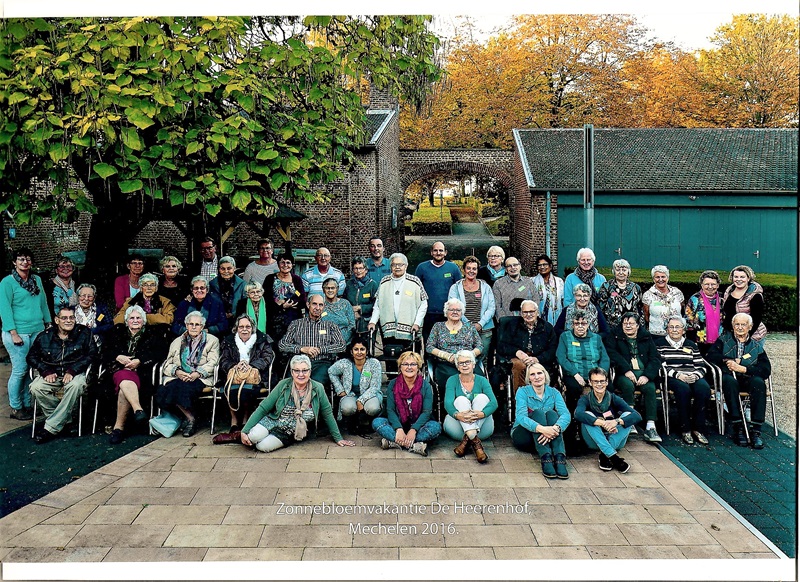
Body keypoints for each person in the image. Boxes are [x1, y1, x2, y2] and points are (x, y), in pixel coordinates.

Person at [241, 354, 355, 452]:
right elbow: (263, 408)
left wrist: (338, 438)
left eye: (305, 370)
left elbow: (327, 413)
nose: (301, 374)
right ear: (292, 372)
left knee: (262, 447)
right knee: (252, 437)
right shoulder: (283, 384)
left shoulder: (318, 388)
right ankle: (248, 434)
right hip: (272, 421)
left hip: (289, 432)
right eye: (297, 370)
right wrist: (244, 430)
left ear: (310, 371)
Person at [27, 306, 98, 443]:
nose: (69, 321)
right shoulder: (45, 336)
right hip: (51, 373)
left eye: (71, 317)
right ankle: (66, 421)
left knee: (77, 385)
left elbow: (92, 354)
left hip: (74, 373)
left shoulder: (84, 333)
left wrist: (73, 370)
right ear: (57, 320)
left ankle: (50, 428)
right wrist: (45, 370)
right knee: (36, 387)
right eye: (64, 318)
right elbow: (31, 357)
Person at [102, 305, 166, 445]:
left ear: (143, 320)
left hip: (140, 373)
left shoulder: (153, 334)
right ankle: (138, 409)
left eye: (138, 318)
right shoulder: (116, 332)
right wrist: (118, 356)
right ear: (126, 321)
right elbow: (104, 352)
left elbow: (159, 353)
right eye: (132, 318)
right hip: (116, 370)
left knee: (124, 387)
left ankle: (118, 429)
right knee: (123, 377)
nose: (135, 320)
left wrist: (140, 360)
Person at [0, 247, 50, 420]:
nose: (25, 262)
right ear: (14, 262)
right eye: (21, 259)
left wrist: (48, 323)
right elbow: (5, 309)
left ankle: (28, 404)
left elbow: (43, 302)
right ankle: (16, 407)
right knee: (20, 369)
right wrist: (13, 333)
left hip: (36, 329)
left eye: (28, 259)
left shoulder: (36, 279)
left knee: (31, 368)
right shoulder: (7, 282)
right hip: (18, 332)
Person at [708, 313, 771, 449]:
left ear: (750, 327)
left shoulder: (756, 346)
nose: (740, 327)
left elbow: (765, 369)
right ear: (733, 326)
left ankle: (756, 431)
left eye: (743, 324)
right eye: (737, 324)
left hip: (747, 378)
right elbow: (711, 357)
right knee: (729, 382)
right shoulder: (723, 340)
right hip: (729, 378)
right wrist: (728, 361)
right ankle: (738, 427)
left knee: (759, 383)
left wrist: (743, 368)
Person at [157, 311, 221, 437]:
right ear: (186, 325)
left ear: (202, 327)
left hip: (201, 377)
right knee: (165, 389)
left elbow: (214, 362)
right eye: (191, 324)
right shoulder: (177, 341)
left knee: (183, 389)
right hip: (180, 376)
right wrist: (178, 371)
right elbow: (167, 363)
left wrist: (197, 373)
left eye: (197, 324)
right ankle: (190, 417)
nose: (193, 327)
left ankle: (190, 420)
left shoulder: (212, 341)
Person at [555, 309, 610, 453]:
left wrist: (599, 376)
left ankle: (605, 427)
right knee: (573, 389)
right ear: (572, 324)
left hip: (595, 375)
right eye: (576, 323)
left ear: (588, 325)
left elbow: (604, 358)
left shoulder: (596, 338)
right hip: (574, 374)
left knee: (607, 389)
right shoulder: (565, 337)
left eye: (583, 323)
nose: (580, 326)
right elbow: (561, 357)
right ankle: (573, 427)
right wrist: (574, 373)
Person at [604, 312, 663, 443]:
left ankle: (651, 425)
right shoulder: (614, 336)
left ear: (637, 325)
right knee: (627, 385)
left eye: (631, 323)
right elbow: (612, 354)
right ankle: (629, 420)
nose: (628, 326)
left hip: (643, 372)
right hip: (623, 373)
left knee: (650, 388)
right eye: (625, 323)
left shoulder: (646, 337)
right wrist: (626, 370)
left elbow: (655, 358)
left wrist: (647, 376)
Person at [654, 316, 712, 445]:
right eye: (671, 327)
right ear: (667, 329)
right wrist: (677, 375)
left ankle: (698, 429)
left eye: (678, 327)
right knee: (683, 390)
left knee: (704, 389)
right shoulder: (659, 344)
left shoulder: (691, 345)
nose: (674, 330)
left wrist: (696, 376)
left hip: (692, 374)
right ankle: (685, 429)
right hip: (671, 376)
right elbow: (660, 364)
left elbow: (700, 365)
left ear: (684, 330)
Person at [372, 351, 442, 456]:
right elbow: (390, 410)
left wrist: (413, 430)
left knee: (435, 427)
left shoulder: (425, 386)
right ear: (400, 367)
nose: (409, 367)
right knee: (377, 422)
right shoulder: (393, 384)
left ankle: (394, 442)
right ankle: (414, 445)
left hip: (419, 425)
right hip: (398, 424)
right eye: (405, 364)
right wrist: (398, 429)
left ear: (418, 367)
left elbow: (427, 412)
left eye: (413, 364)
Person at [575, 367, 642, 473]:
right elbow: (577, 414)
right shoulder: (585, 399)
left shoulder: (613, 398)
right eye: (595, 381)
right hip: (594, 440)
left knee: (628, 415)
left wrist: (616, 422)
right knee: (587, 415)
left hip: (615, 439)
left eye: (602, 381)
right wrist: (602, 423)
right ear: (590, 383)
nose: (599, 384)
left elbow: (637, 416)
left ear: (607, 382)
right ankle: (614, 458)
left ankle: (605, 455)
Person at [511, 363, 570, 479]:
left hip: (549, 435)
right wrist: (542, 429)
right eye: (532, 374)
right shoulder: (522, 391)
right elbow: (521, 417)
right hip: (524, 436)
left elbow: (565, 414)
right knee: (537, 413)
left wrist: (556, 428)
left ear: (545, 375)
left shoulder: (554, 392)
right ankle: (546, 458)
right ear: (529, 378)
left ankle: (559, 457)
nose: (537, 377)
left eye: (539, 373)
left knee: (552, 414)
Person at [218, 314, 274, 433]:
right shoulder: (229, 341)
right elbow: (223, 359)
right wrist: (235, 366)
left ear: (252, 328)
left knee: (247, 391)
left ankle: (245, 419)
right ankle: (234, 421)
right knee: (228, 390)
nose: (244, 329)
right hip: (234, 376)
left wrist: (251, 366)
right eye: (241, 326)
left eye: (248, 327)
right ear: (236, 328)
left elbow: (267, 357)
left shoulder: (262, 340)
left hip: (255, 377)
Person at [278, 294, 346, 385]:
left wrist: (320, 349)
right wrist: (302, 349)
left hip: (322, 363)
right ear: (308, 305)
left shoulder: (330, 325)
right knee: (289, 384)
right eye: (314, 304)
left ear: (324, 307)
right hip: (299, 363)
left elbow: (342, 345)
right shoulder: (296, 324)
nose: (317, 308)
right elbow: (282, 345)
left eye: (320, 305)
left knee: (315, 384)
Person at [443, 350, 497, 464]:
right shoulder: (452, 380)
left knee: (482, 398)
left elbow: (494, 403)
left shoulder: (482, 380)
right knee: (460, 400)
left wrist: (481, 414)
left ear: (473, 364)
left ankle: (468, 440)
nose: (464, 365)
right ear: (457, 367)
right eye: (461, 363)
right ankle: (476, 444)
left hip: (482, 429)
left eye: (467, 362)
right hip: (457, 427)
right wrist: (458, 415)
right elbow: (448, 404)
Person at [367, 253, 427, 350]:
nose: (397, 267)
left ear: (406, 266)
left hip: (410, 330)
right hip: (389, 331)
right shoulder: (384, 282)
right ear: (390, 266)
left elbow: (423, 304)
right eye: (394, 264)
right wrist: (373, 321)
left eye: (400, 264)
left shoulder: (415, 281)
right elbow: (378, 305)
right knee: (390, 360)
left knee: (410, 361)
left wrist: (417, 323)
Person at [496, 300, 557, 394]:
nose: (528, 314)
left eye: (531, 311)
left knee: (538, 370)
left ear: (537, 312)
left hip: (539, 359)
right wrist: (517, 352)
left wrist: (537, 359)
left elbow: (552, 350)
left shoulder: (547, 327)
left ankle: (540, 399)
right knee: (519, 366)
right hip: (518, 358)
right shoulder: (512, 325)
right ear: (521, 313)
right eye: (525, 312)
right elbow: (502, 345)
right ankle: (522, 399)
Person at [328, 338, 383, 433]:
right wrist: (339, 389)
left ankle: (369, 423)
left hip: (370, 395)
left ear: (367, 351)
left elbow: (375, 386)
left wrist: (361, 400)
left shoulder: (374, 363)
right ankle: (351, 423)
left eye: (362, 349)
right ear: (351, 351)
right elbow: (331, 371)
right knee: (347, 407)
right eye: (356, 349)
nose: (359, 352)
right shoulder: (345, 363)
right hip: (351, 394)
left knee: (372, 408)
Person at [426, 298, 482, 390]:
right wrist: (446, 355)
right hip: (446, 364)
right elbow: (429, 347)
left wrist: (468, 356)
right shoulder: (438, 327)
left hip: (468, 363)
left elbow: (480, 346)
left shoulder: (469, 327)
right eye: (452, 310)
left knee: (478, 379)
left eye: (458, 310)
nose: (455, 312)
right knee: (451, 380)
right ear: (446, 312)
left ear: (462, 312)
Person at [448, 255, 496, 361]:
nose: (471, 271)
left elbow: (491, 308)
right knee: (464, 358)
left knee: (482, 358)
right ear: (464, 270)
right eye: (468, 268)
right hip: (462, 328)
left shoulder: (485, 287)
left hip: (484, 329)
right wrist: (468, 324)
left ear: (477, 271)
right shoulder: (455, 288)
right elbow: (453, 308)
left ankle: (481, 377)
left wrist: (480, 324)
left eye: (474, 269)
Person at [414, 241, 462, 339]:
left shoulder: (453, 268)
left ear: (445, 252)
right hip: (428, 313)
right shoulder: (422, 268)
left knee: (448, 341)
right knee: (429, 342)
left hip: (448, 313)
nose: (438, 253)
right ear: (431, 252)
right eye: (435, 250)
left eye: (441, 250)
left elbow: (459, 289)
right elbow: (416, 289)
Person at [264, 253, 307, 343]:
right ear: (278, 264)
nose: (285, 265)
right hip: (274, 320)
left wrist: (286, 302)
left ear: (292, 265)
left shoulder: (296, 280)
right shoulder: (270, 279)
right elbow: (266, 299)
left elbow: (302, 298)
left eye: (288, 262)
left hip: (293, 319)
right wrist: (281, 307)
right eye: (282, 262)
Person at [721, 265, 767, 347]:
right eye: (736, 277)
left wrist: (745, 337)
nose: (739, 279)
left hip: (753, 335)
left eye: (742, 277)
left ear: (748, 278)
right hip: (732, 335)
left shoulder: (755, 295)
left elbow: (756, 319)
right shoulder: (728, 291)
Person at [684, 270, 724, 356]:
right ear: (702, 285)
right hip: (699, 341)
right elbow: (689, 320)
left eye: (713, 284)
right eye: (706, 284)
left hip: (719, 341)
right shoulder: (695, 299)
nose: (710, 287)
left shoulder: (722, 299)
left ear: (717, 285)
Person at [596, 259, 643, 328]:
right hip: (612, 327)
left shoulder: (635, 288)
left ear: (628, 272)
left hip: (631, 326)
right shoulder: (606, 286)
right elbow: (601, 308)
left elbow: (640, 309)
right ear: (614, 272)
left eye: (624, 270)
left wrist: (641, 326)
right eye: (618, 270)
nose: (621, 273)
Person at [642, 265, 684, 337]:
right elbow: (646, 316)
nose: (660, 279)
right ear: (653, 279)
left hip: (676, 334)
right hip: (656, 334)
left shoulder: (677, 292)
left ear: (667, 278)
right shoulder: (648, 295)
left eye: (663, 277)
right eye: (657, 277)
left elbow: (682, 311)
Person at [344, 256, 379, 339]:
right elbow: (344, 302)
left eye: (360, 268)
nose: (358, 271)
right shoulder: (349, 284)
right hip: (351, 323)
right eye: (355, 268)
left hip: (367, 323)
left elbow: (377, 305)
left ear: (366, 270)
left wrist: (360, 308)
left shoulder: (372, 285)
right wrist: (351, 311)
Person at [209, 256, 246, 330]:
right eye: (222, 269)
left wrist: (234, 313)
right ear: (219, 270)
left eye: (229, 268)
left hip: (237, 322)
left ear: (234, 269)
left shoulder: (242, 284)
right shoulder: (212, 285)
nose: (226, 271)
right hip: (217, 322)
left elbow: (245, 304)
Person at [320, 276, 356, 344]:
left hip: (346, 343)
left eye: (333, 288)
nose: (330, 290)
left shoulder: (345, 304)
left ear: (337, 289)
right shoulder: (320, 306)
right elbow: (318, 327)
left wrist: (341, 340)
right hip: (327, 344)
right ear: (323, 290)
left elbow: (352, 325)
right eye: (327, 288)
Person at [531, 254, 564, 327]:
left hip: (556, 316)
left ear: (550, 266)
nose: (542, 267)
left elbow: (562, 299)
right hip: (538, 317)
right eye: (539, 265)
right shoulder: (532, 281)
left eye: (544, 264)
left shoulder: (559, 282)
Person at [43, 255, 79, 320]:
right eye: (62, 266)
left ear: (73, 269)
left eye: (68, 266)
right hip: (57, 322)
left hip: (76, 320)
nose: (65, 269)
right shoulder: (49, 287)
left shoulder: (77, 285)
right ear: (56, 270)